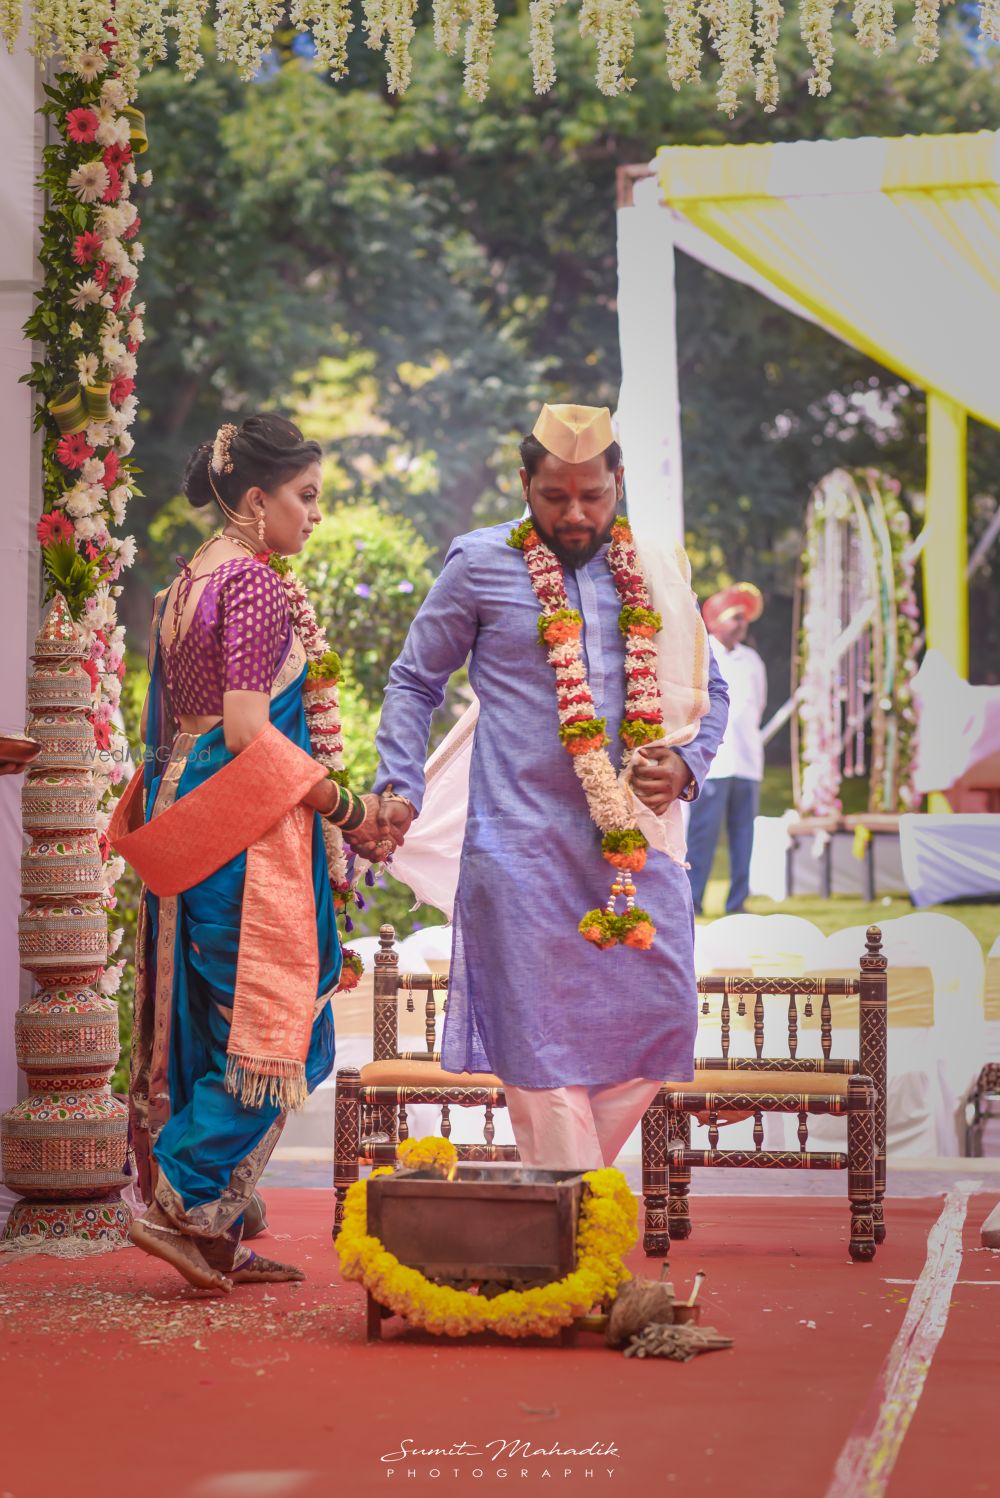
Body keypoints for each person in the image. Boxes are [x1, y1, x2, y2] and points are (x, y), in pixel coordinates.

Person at [365, 404, 728, 1171]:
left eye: (592, 496)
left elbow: (709, 688)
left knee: (665, 1019)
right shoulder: (479, 562)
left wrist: (687, 768)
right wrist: (399, 783)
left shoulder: (654, 571)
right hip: (518, 842)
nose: (574, 514)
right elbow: (414, 680)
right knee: (537, 1040)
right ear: (524, 482)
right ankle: (569, 1227)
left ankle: (559, 1196)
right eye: (554, 496)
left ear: (617, 483)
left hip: (632, 846)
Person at [110, 414, 384, 1294]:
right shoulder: (259, 587)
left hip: (184, 808)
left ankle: (212, 1234)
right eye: (305, 498)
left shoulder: (189, 578)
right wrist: (348, 806)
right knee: (280, 1026)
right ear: (257, 500)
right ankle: (184, 1203)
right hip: (241, 825)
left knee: (207, 1017)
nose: (313, 516)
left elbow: (168, 726)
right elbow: (249, 732)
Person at [685, 583, 767, 916]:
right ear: (717, 622)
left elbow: (757, 705)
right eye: (735, 618)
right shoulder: (705, 654)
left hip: (747, 761)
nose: (741, 624)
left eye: (744, 619)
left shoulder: (753, 660)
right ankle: (693, 899)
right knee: (702, 835)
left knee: (743, 835)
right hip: (714, 763)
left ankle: (738, 902)